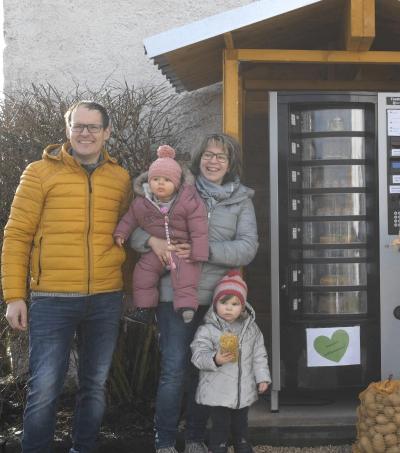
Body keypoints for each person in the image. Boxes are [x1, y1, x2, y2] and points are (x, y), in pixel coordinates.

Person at [1, 101, 131, 452]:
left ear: (106, 132)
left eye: (93, 127)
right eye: (78, 126)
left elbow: (129, 230)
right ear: (68, 129)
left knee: (95, 384)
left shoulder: (120, 178)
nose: (85, 133)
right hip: (52, 298)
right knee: (44, 386)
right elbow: (16, 235)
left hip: (105, 297)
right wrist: (14, 296)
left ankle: (83, 447)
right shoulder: (39, 173)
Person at [128, 133, 258, 453]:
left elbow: (247, 248)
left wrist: (204, 250)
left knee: (206, 369)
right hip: (174, 293)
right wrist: (152, 242)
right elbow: (135, 230)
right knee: (174, 369)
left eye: (221, 157)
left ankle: (197, 438)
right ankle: (165, 441)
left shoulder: (241, 201)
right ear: (199, 159)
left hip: (217, 300)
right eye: (208, 155)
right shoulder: (177, 190)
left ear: (231, 164)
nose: (213, 161)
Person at [114, 144, 208, 324]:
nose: (160, 183)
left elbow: (199, 228)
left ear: (177, 183)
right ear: (149, 182)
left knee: (185, 274)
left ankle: (186, 307)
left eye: (166, 179)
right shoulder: (142, 203)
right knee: (143, 273)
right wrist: (121, 233)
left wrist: (198, 252)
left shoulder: (188, 201)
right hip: (154, 251)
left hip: (180, 247)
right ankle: (144, 308)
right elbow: (129, 219)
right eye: (156, 179)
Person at [191, 270, 270, 453]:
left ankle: (242, 445)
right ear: (215, 304)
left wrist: (262, 378)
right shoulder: (208, 330)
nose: (228, 308)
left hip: (243, 391)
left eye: (234, 304)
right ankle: (217, 447)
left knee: (241, 425)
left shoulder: (251, 329)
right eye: (223, 302)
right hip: (217, 392)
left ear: (243, 307)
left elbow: (259, 355)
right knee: (220, 426)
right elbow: (197, 355)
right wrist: (215, 359)